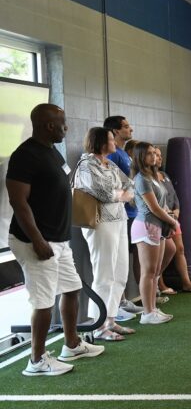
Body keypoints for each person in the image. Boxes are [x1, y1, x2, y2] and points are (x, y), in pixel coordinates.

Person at [7, 104, 104, 376]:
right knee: (43, 301)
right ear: (49, 126)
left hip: (58, 240)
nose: (67, 127)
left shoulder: (52, 151)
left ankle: (71, 344)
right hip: (35, 241)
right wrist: (38, 240)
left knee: (71, 289)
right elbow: (18, 200)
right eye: (63, 123)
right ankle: (36, 361)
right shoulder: (25, 155)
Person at [75, 127, 135, 341]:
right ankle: (98, 325)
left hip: (119, 220)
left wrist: (119, 195)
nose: (114, 142)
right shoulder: (86, 164)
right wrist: (120, 195)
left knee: (120, 273)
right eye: (110, 139)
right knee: (104, 274)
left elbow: (130, 185)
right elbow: (102, 192)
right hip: (100, 223)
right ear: (100, 142)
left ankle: (110, 319)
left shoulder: (109, 164)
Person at [131, 142, 178, 324]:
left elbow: (163, 204)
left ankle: (152, 308)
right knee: (148, 271)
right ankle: (147, 313)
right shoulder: (141, 179)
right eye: (149, 154)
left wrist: (170, 216)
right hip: (146, 226)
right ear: (141, 157)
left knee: (156, 271)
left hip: (159, 226)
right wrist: (172, 221)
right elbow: (154, 208)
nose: (154, 156)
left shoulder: (153, 176)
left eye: (154, 153)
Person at [103, 115, 143, 318]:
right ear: (115, 132)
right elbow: (112, 186)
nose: (131, 130)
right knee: (117, 260)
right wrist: (126, 195)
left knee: (125, 261)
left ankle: (124, 300)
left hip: (131, 212)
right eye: (126, 127)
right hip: (119, 215)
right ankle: (116, 305)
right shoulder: (112, 155)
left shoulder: (123, 154)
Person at [155, 148, 191, 293]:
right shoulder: (147, 179)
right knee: (163, 252)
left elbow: (174, 196)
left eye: (159, 155)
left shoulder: (164, 175)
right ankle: (160, 284)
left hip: (173, 218)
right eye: (154, 155)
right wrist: (168, 215)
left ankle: (186, 282)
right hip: (161, 219)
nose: (158, 158)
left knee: (179, 249)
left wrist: (176, 211)